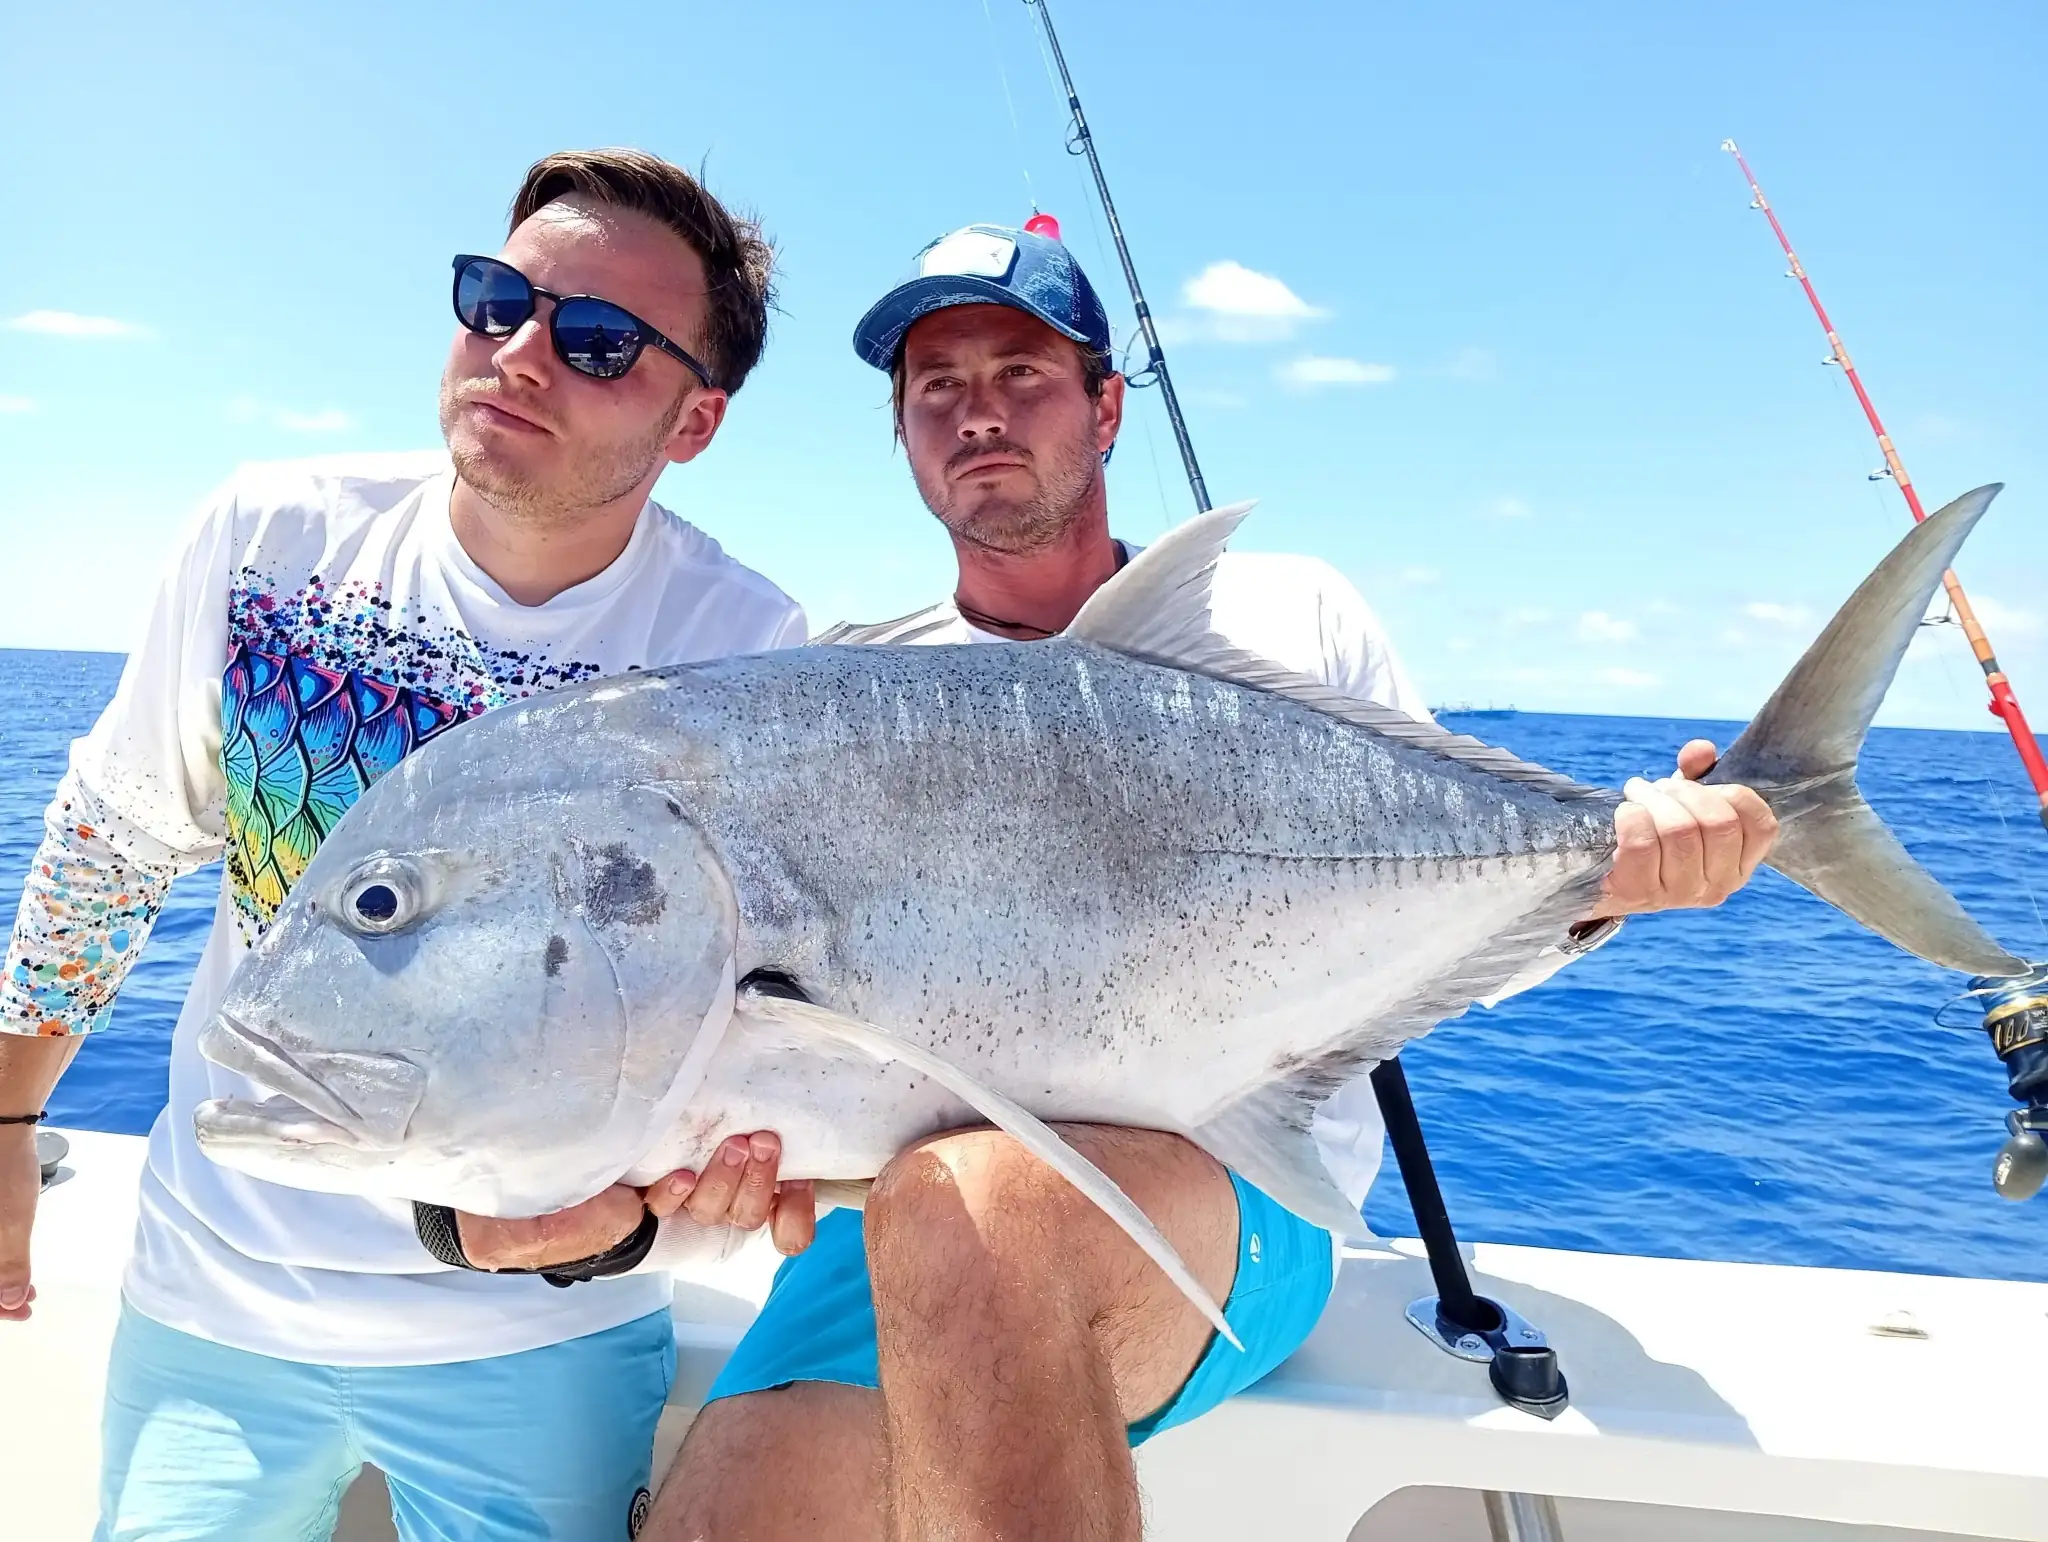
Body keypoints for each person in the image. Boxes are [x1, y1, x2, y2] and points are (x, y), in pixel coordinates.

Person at [647, 223, 1780, 1541]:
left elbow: (1425, 934)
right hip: (908, 1204)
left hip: (1224, 1189)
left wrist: (1607, 879)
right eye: (936, 389)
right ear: (901, 433)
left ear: (1107, 406)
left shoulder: (1284, 619)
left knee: (983, 1213)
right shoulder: (850, 693)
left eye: (1020, 374)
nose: (977, 416)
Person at [0, 148, 815, 1541]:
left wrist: (623, 1227)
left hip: (530, 1346)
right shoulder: (271, 537)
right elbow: (114, 841)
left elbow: (736, 1054)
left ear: (695, 422)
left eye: (599, 339)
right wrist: (11, 1113)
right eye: (495, 298)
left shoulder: (744, 651)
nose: (519, 352)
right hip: (208, 1305)